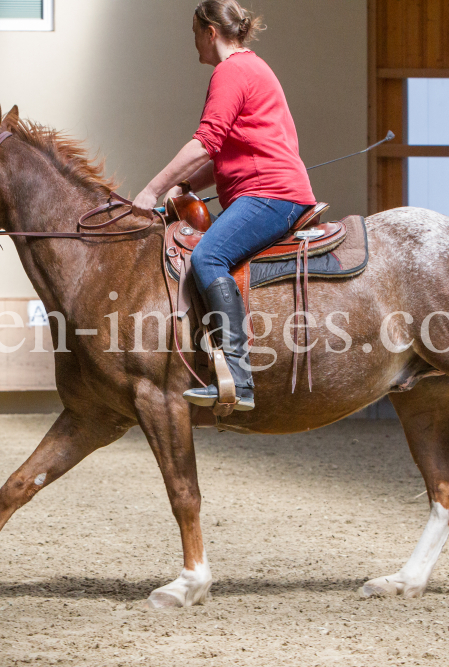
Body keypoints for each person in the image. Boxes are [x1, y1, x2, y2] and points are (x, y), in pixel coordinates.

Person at [132, 0, 316, 411]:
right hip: (271, 191)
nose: (194, 42)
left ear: (210, 32)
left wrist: (151, 189)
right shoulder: (252, 67)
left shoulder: (231, 71)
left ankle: (237, 378)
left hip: (271, 195)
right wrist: (183, 185)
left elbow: (206, 141)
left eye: (195, 33)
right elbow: (222, 157)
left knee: (209, 257)